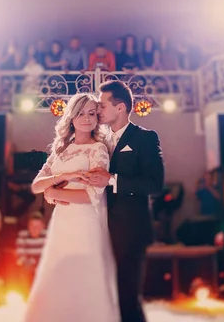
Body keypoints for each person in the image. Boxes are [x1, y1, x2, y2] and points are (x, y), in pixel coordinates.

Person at [24, 93, 119, 322]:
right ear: (72, 117)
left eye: (92, 114)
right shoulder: (61, 149)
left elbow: (93, 196)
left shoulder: (98, 149)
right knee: (59, 276)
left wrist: (54, 191)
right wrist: (64, 175)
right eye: (81, 113)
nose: (86, 119)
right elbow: (37, 186)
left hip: (85, 221)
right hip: (62, 222)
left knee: (85, 277)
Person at [88, 80, 165, 322]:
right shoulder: (98, 140)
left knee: (128, 298)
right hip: (100, 230)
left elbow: (155, 184)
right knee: (105, 298)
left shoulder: (145, 138)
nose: (98, 110)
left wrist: (112, 179)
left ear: (120, 107)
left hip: (131, 231)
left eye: (102, 105)